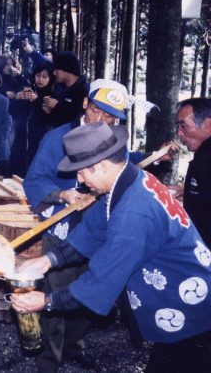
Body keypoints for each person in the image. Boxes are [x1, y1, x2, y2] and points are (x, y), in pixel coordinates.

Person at [13, 122, 211, 373]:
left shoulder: (134, 212)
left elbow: (103, 279)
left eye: (82, 172)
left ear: (103, 165)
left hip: (190, 303)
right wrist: (49, 259)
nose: (79, 179)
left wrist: (47, 300)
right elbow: (94, 228)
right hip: (179, 299)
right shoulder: (129, 181)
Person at [22, 79, 156, 372]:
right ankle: (50, 358)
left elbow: (123, 165)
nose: (103, 121)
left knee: (88, 291)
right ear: (85, 103)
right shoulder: (57, 138)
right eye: (98, 111)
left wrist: (148, 157)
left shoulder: (110, 139)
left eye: (111, 117)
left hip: (99, 227)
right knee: (56, 293)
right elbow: (33, 180)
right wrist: (62, 193)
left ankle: (74, 347)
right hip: (63, 227)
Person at [176, 98, 211, 247]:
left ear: (208, 124)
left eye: (183, 126)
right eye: (177, 127)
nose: (179, 133)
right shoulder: (203, 153)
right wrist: (189, 191)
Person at [45, 51, 89, 127]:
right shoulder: (59, 88)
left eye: (57, 70)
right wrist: (49, 110)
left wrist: (57, 105)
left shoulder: (84, 90)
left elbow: (81, 117)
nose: (54, 73)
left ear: (67, 70)